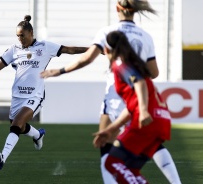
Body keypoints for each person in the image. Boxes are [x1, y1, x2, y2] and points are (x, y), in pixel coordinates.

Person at [41, 1, 181, 183]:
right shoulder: (146, 36)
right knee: (150, 145)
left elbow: (86, 59)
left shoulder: (109, 34)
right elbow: (154, 73)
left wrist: (59, 71)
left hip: (118, 95)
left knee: (108, 153)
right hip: (142, 98)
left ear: (117, 9)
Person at [0, 15, 88, 170]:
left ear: (31, 33)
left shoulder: (44, 47)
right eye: (18, 36)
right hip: (17, 96)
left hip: (35, 95)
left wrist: (93, 50)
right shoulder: (14, 49)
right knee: (17, 125)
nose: (20, 39)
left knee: (18, 122)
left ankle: (3, 157)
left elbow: (69, 49)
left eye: (23, 36)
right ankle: (37, 135)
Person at [93, 30, 172, 183]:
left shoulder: (120, 64)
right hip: (161, 121)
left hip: (148, 122)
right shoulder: (134, 64)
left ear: (106, 50)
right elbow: (130, 107)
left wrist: (142, 111)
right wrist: (110, 129)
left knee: (111, 162)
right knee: (132, 170)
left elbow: (139, 82)